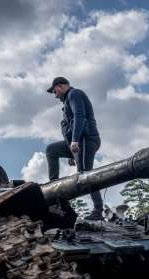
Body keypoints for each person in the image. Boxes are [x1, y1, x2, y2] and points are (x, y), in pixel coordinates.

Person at [45, 76, 104, 220]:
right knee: (51, 150)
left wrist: (75, 140)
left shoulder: (74, 94)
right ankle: (53, 186)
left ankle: (98, 210)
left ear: (60, 86)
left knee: (85, 175)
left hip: (86, 140)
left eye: (54, 91)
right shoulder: (67, 101)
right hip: (76, 142)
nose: (55, 95)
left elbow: (80, 116)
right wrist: (72, 153)